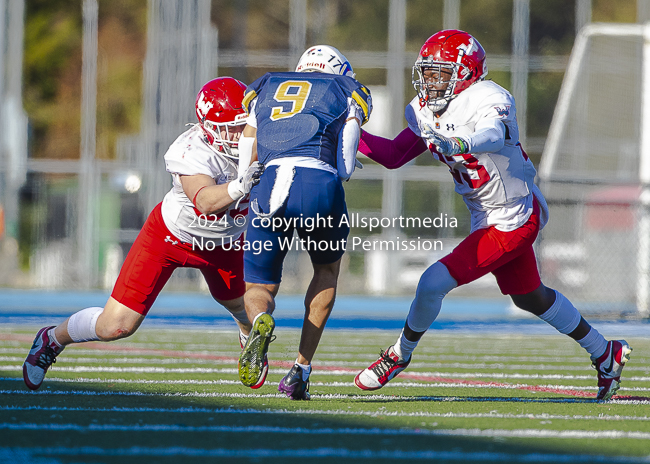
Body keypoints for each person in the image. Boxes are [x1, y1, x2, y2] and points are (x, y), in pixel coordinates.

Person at [353, 30, 632, 401]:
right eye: (428, 73)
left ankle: (397, 355)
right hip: (485, 216)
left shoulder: (489, 97)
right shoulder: (423, 109)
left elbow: (494, 134)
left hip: (513, 217)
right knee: (529, 296)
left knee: (432, 282)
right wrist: (349, 131)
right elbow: (392, 156)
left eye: (440, 74)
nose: (431, 82)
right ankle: (605, 352)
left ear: (466, 72)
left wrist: (459, 142)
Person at [23, 77, 265, 391]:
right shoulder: (190, 148)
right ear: (210, 127)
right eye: (234, 126)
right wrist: (239, 185)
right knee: (116, 326)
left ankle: (249, 343)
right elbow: (205, 202)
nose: (242, 133)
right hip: (171, 237)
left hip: (225, 241)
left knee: (246, 309)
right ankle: (52, 339)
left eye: (246, 123)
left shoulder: (261, 137)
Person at [235, 45, 372, 400]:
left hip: (270, 184)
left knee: (259, 288)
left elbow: (247, 143)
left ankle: (259, 323)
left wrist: (245, 181)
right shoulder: (343, 89)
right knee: (325, 272)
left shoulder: (267, 85)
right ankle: (300, 369)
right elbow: (343, 167)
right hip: (318, 187)